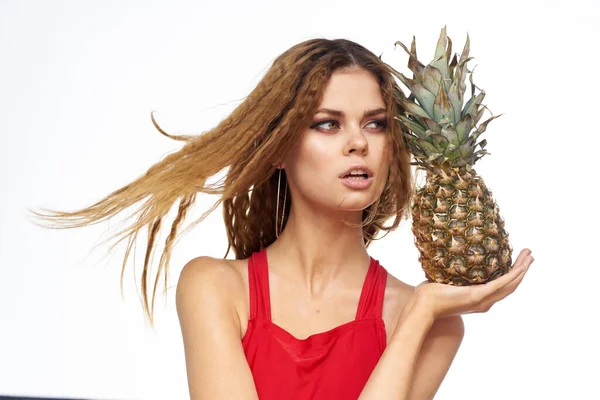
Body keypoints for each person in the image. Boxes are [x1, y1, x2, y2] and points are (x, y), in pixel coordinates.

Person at [30, 37, 534, 399]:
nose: (358, 142)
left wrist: (423, 309)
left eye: (375, 124)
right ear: (279, 147)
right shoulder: (213, 288)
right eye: (327, 124)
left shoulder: (432, 325)